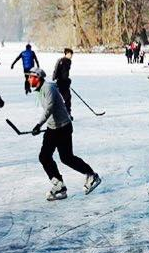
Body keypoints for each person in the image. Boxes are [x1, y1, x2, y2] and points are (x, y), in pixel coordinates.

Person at [28, 67, 101, 201]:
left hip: (63, 128)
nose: (28, 79)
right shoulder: (41, 89)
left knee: (66, 158)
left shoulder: (48, 88)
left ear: (37, 78)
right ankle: (59, 185)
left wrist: (39, 125)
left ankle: (91, 175)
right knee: (44, 156)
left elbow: (49, 108)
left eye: (30, 77)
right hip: (53, 128)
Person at [52, 48, 73, 119]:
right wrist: (55, 79)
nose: (71, 56)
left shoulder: (68, 61)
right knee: (62, 99)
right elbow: (56, 70)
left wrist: (68, 80)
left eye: (72, 54)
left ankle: (67, 113)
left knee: (67, 98)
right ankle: (62, 114)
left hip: (65, 83)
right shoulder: (61, 61)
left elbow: (65, 74)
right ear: (66, 54)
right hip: (60, 82)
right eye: (70, 54)